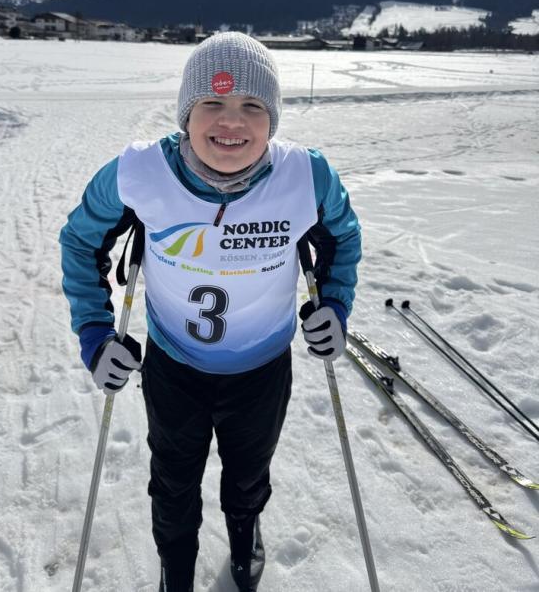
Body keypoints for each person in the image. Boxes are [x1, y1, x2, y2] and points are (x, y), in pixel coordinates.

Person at [60, 31, 361, 591]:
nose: (232, 123)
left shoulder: (307, 176)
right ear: (186, 114)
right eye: (213, 103)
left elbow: (342, 238)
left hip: (262, 369)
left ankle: (245, 532)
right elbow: (80, 243)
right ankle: (177, 565)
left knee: (248, 474)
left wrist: (336, 304)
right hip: (175, 366)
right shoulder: (138, 174)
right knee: (172, 480)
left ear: (272, 119)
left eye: (253, 106)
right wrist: (96, 333)